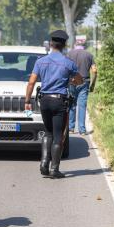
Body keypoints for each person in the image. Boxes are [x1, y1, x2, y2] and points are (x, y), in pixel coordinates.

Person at [25, 30, 83, 178]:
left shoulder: (40, 62)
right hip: (59, 102)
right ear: (64, 45)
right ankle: (54, 169)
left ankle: (44, 164)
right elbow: (79, 81)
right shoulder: (68, 63)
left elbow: (31, 82)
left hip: (44, 100)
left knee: (47, 132)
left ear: (51, 44)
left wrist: (27, 101)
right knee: (58, 136)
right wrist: (70, 81)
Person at [67, 46, 98, 135]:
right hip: (84, 82)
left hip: (72, 81)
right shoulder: (89, 55)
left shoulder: (69, 54)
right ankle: (82, 130)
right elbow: (95, 71)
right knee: (82, 106)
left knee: (72, 104)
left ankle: (71, 128)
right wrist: (93, 84)